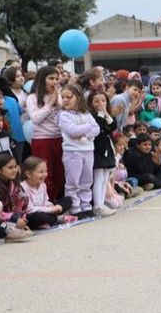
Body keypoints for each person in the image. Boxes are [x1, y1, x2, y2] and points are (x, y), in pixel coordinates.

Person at [58, 84, 100, 219]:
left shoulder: (86, 114)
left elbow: (97, 129)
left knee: (86, 180)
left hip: (88, 150)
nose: (65, 100)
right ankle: (75, 208)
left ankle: (86, 205)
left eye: (68, 97)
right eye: (63, 97)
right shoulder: (63, 115)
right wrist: (87, 127)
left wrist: (84, 132)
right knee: (73, 181)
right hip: (72, 151)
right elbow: (72, 131)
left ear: (78, 98)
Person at [26, 66, 64, 200]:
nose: (55, 82)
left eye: (57, 79)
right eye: (51, 78)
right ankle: (44, 203)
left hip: (59, 138)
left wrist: (58, 99)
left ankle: (52, 200)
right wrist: (50, 104)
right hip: (42, 140)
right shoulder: (32, 97)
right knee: (44, 174)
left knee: (60, 173)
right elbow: (35, 118)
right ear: (43, 80)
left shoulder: (59, 95)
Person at [21, 156, 77, 228]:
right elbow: (29, 209)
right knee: (39, 217)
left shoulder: (43, 185)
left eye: (46, 171)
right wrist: (50, 210)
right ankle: (58, 219)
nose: (45, 174)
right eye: (41, 172)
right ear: (28, 174)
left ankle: (51, 220)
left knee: (68, 200)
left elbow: (45, 201)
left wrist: (53, 206)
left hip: (45, 210)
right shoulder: (23, 188)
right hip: (32, 214)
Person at [88, 90, 118, 217]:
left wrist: (106, 113)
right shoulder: (92, 116)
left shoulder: (107, 115)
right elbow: (97, 128)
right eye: (97, 101)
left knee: (105, 177)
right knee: (98, 177)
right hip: (97, 150)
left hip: (107, 148)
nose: (100, 103)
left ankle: (102, 202)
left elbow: (113, 126)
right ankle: (97, 205)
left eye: (103, 101)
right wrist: (100, 113)